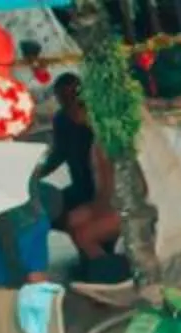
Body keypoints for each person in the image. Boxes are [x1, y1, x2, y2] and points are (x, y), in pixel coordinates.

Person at [42, 75, 124, 265]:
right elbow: (59, 153)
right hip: (81, 186)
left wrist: (98, 207)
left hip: (107, 195)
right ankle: (93, 258)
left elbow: (110, 183)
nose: (70, 103)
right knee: (57, 213)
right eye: (64, 99)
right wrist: (38, 173)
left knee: (83, 228)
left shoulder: (104, 129)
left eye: (75, 98)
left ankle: (104, 260)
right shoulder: (62, 120)